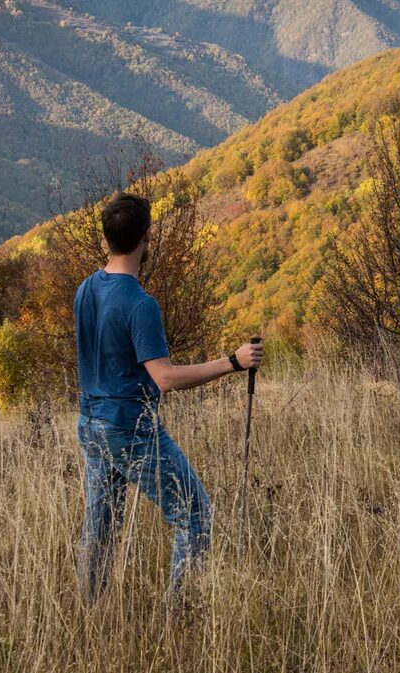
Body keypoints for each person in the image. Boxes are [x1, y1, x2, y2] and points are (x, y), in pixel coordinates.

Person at [74, 192, 263, 601]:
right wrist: (233, 361)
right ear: (145, 238)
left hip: (90, 423)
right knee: (195, 515)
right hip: (130, 428)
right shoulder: (139, 304)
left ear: (108, 237)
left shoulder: (86, 290)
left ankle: (89, 615)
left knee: (99, 529)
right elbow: (166, 378)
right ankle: (179, 615)